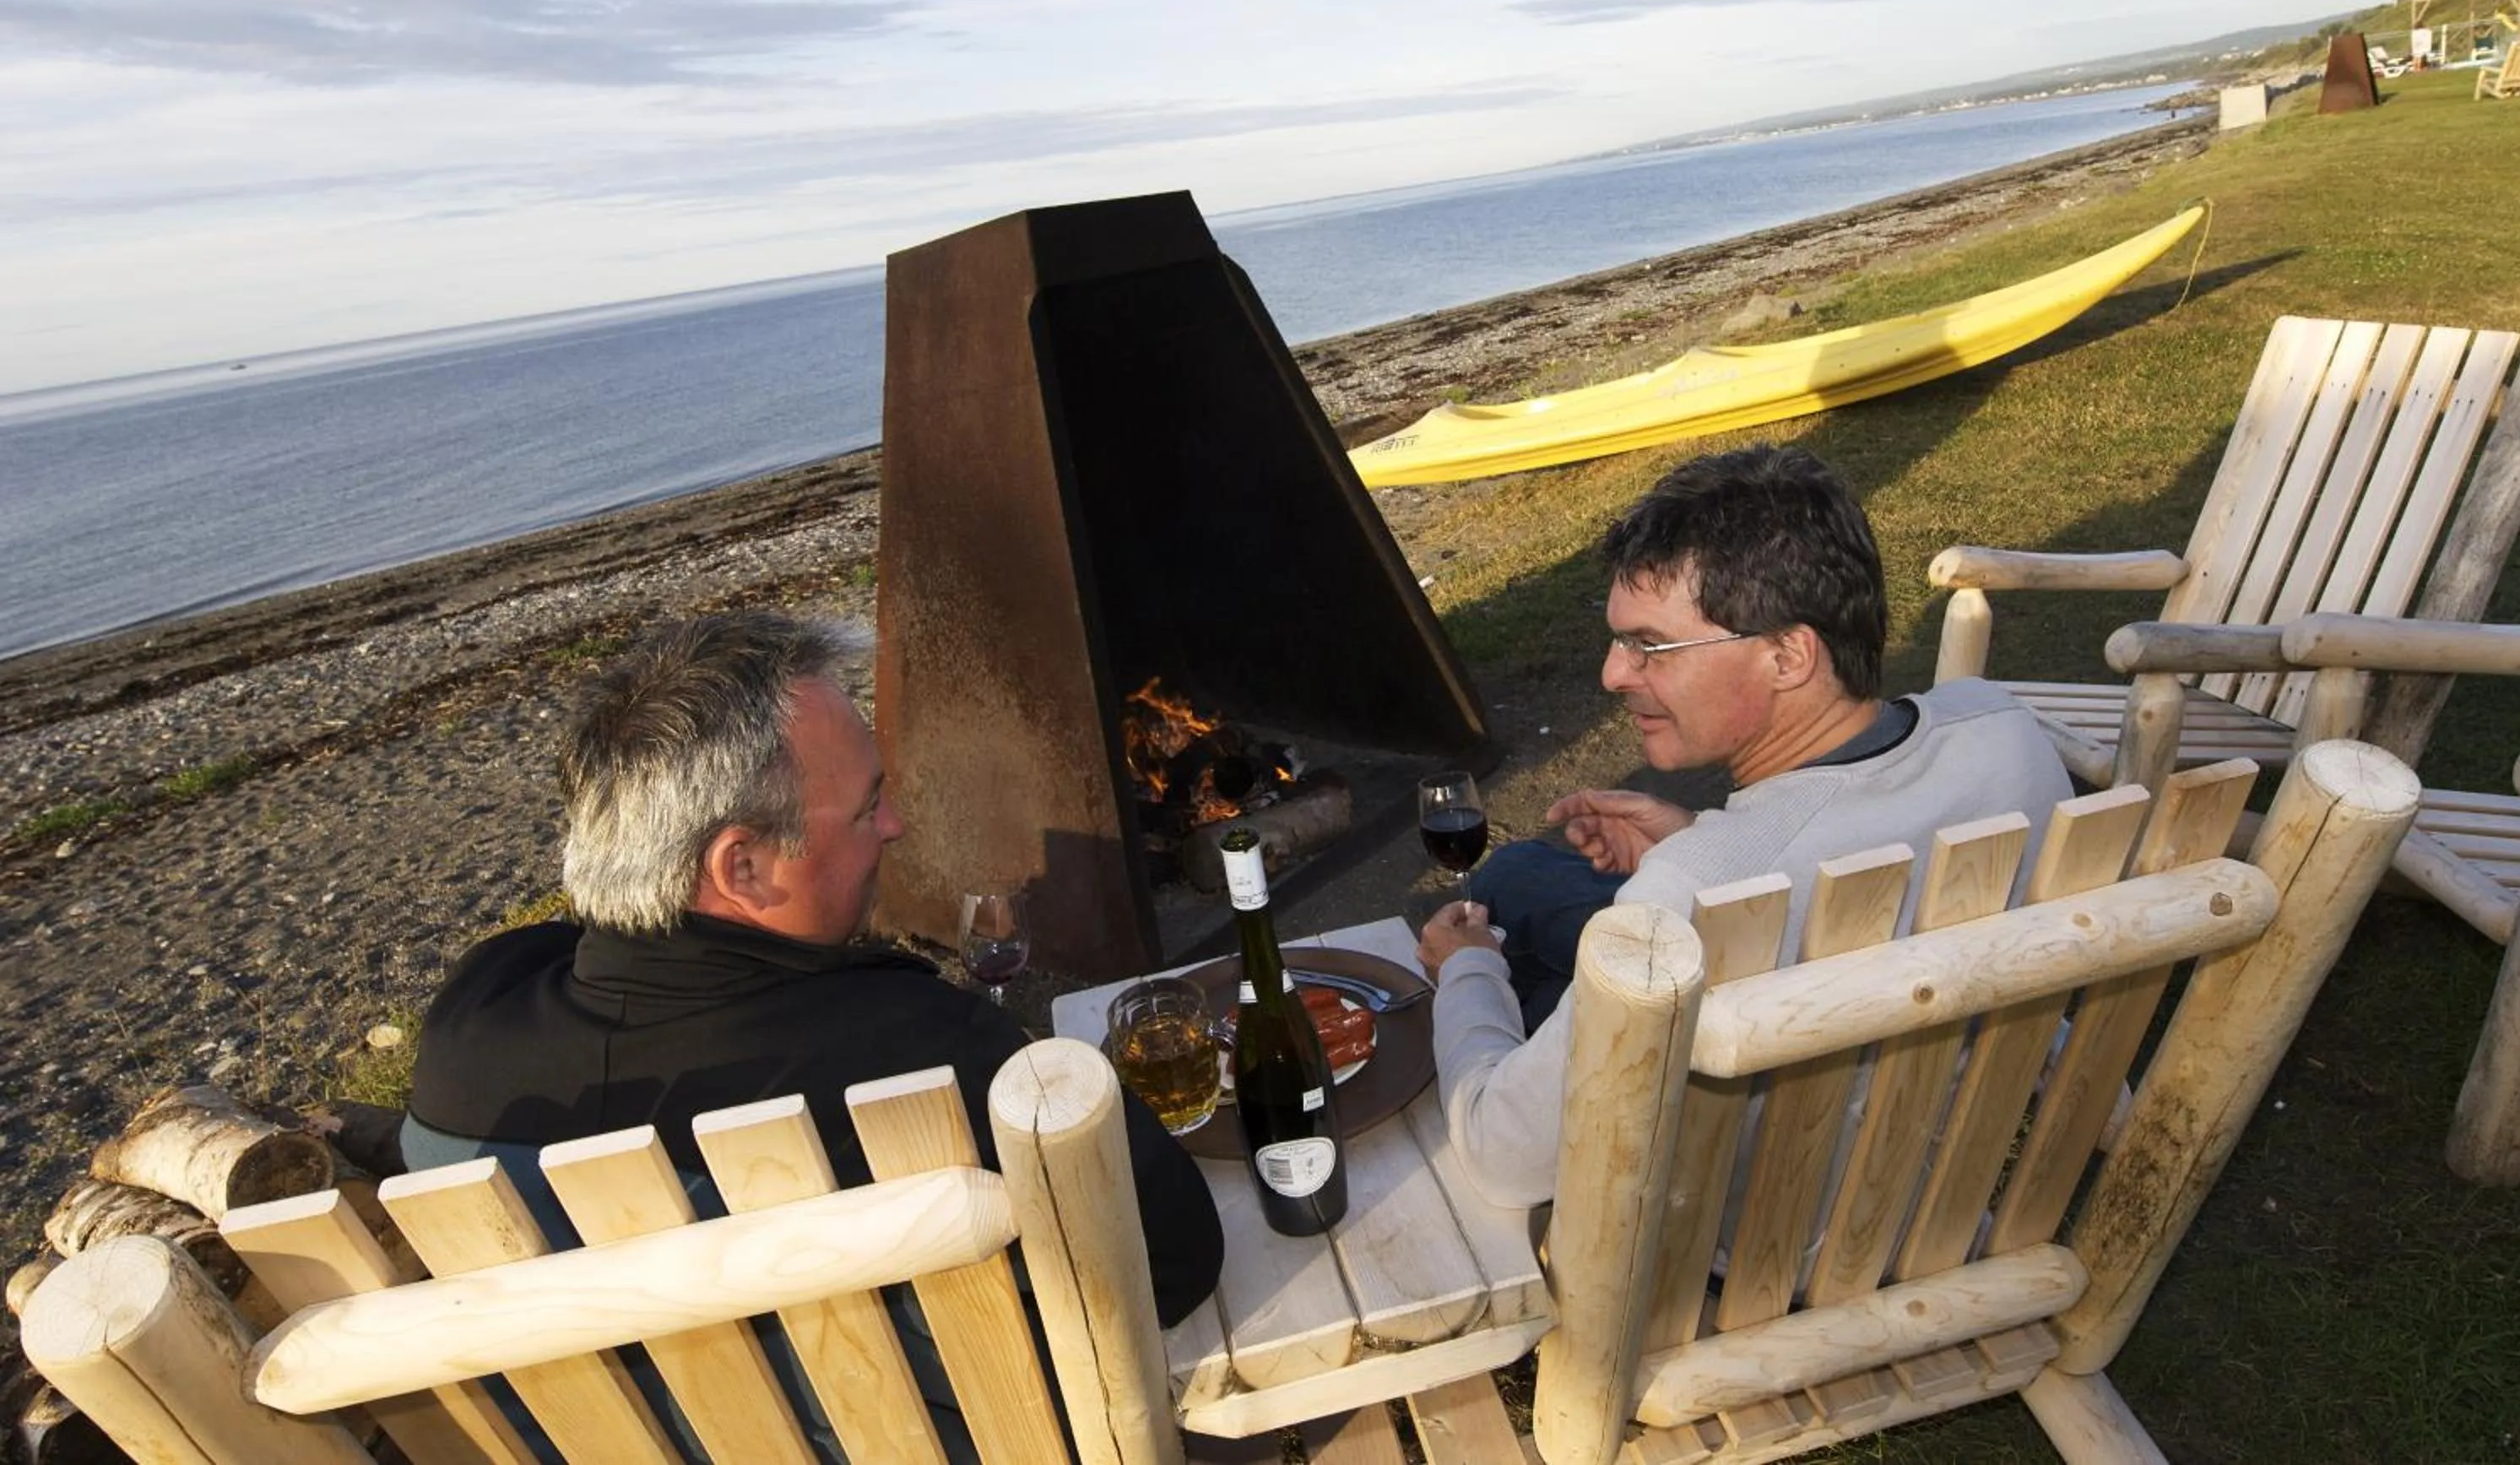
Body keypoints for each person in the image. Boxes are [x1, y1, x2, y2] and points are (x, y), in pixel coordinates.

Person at [404, 611, 1222, 1454]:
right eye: (868, 806)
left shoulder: (471, 1027)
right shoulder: (922, 1050)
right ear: (742, 868)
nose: (896, 826)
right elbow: (1175, 1264)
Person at [1415, 445, 2070, 1207]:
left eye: (1649, 646)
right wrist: (1697, 833)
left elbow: (1502, 1158)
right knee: (1520, 872)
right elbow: (1853, 844)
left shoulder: (1696, 887)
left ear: (1788, 654)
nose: (1613, 675)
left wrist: (1466, 973)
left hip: (1761, 1219)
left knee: (1490, 943)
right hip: (1929, 1126)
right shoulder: (2002, 725)